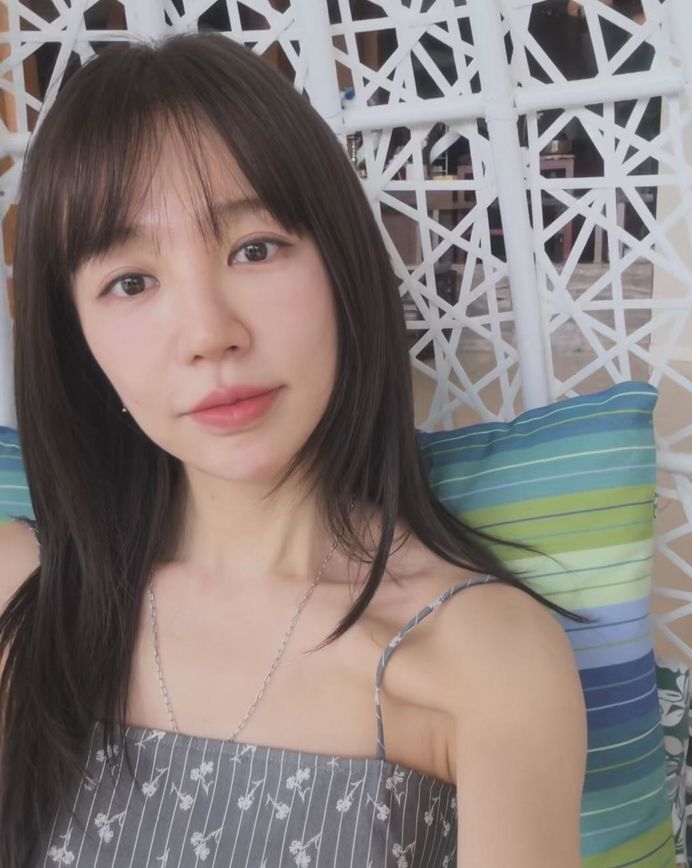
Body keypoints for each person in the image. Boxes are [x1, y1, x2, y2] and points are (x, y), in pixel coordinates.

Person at [0, 32, 587, 868]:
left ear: (342, 268)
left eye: (254, 249)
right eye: (130, 281)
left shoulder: (482, 659)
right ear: (78, 343)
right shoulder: (22, 593)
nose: (209, 334)